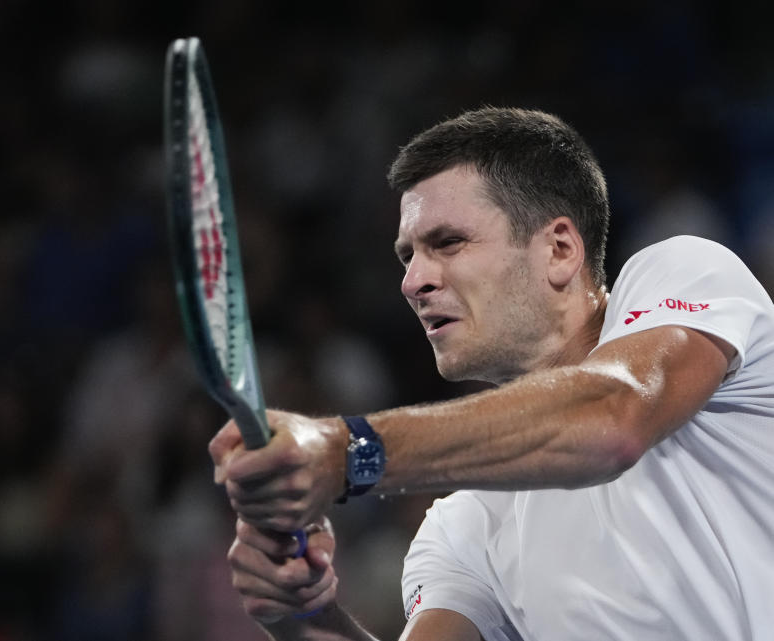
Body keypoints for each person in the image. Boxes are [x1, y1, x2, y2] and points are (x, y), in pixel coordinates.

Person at [209, 107, 774, 640]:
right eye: (407, 256)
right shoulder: (462, 526)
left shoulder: (684, 273)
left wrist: (345, 451)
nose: (413, 282)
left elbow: (615, 418)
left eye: (448, 243)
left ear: (558, 249)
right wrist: (303, 616)